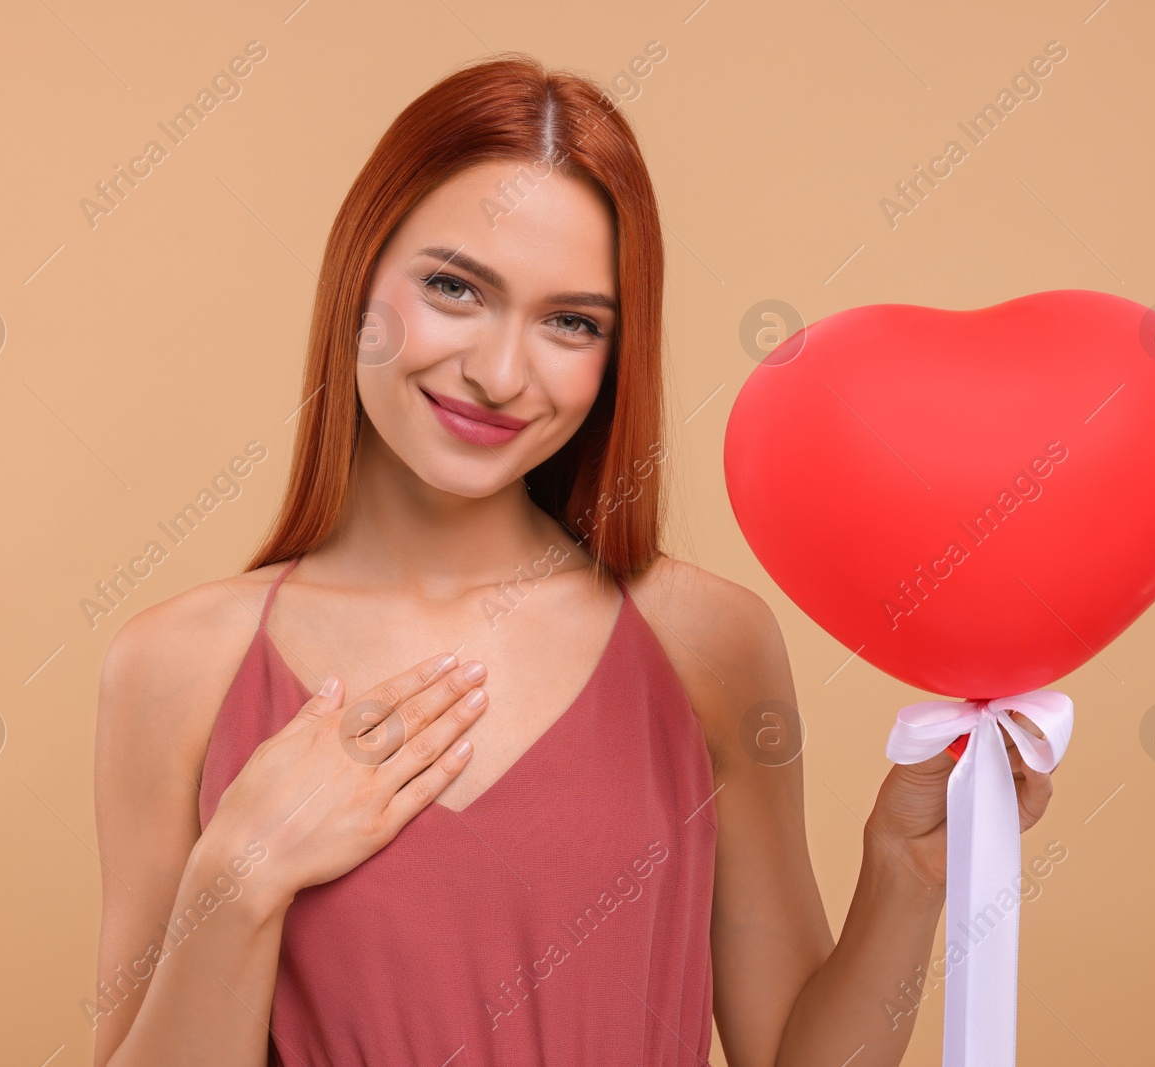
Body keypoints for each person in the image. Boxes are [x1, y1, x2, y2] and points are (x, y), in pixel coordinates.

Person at [89, 52, 1054, 1067]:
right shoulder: (175, 666)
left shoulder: (709, 644)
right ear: (358, 274)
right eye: (455, 286)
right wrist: (234, 879)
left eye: (569, 322)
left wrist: (904, 869)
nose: (500, 373)